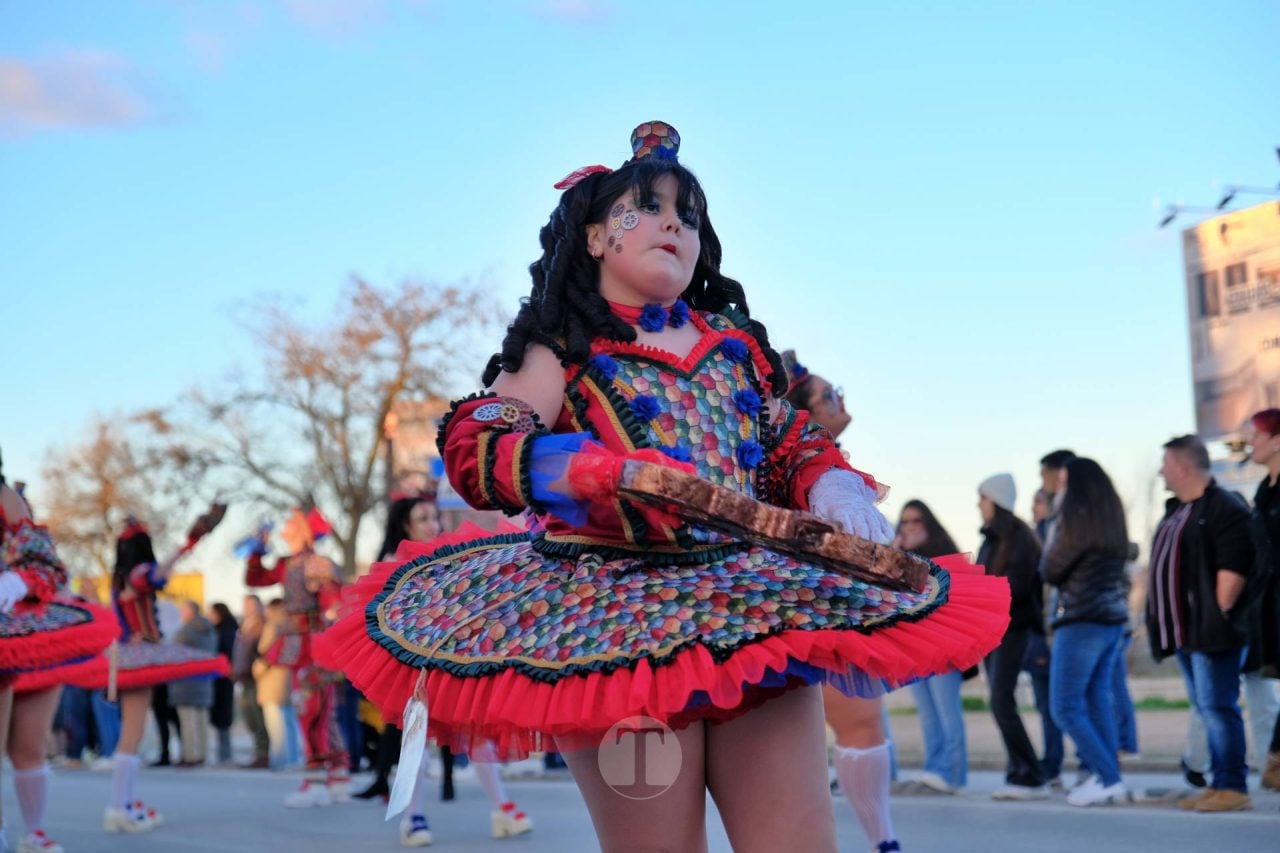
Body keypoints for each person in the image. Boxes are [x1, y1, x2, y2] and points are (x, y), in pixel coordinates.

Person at [318, 121, 1010, 853]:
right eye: (644, 207)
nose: (672, 222)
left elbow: (788, 440)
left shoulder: (735, 347)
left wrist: (831, 483)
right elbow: (479, 444)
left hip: (754, 616)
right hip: (614, 635)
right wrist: (587, 470)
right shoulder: (563, 350)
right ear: (592, 238)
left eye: (686, 212)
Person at [783, 353, 900, 849]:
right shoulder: (784, 466)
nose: (841, 401)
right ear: (803, 414)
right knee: (812, 741)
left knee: (863, 724)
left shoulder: (836, 467)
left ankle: (884, 842)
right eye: (830, 396)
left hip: (840, 605)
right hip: (797, 608)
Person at [1, 468, 118, 853]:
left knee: (30, 745)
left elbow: (42, 560)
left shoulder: (6, 497)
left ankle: (33, 832)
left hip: (26, 633)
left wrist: (20, 579)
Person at [1147, 435, 1254, 813]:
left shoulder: (1224, 506)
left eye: (1165, 463)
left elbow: (1236, 561)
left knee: (1218, 707)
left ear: (1183, 466)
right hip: (1185, 634)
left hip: (1212, 633)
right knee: (1205, 708)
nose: (1161, 470)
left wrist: (1219, 609)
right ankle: (1217, 781)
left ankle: (1233, 785)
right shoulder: (1178, 510)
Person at [1039, 457, 1131, 806]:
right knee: (1096, 701)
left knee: (1064, 707)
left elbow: (1049, 568)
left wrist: (1053, 524)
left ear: (1076, 487)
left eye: (1063, 484)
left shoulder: (1073, 522)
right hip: (1110, 620)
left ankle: (1108, 777)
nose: (1058, 490)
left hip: (1080, 621)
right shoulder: (1110, 520)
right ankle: (1107, 777)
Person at [242, 507, 347, 806]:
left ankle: (317, 781)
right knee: (318, 709)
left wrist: (330, 625)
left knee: (314, 709)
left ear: (302, 528)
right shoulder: (287, 563)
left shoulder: (318, 563)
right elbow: (256, 578)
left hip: (314, 644)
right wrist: (257, 550)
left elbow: (335, 603)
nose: (285, 526)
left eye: (291, 521)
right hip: (297, 643)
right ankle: (337, 774)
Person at [977, 473, 1049, 800]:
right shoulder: (991, 540)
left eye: (983, 498)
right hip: (993, 630)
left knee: (1001, 701)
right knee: (1000, 701)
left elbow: (1017, 588)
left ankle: (1032, 775)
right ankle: (1018, 771)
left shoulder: (1020, 538)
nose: (979, 505)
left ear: (996, 500)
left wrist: (985, 594)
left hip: (1014, 628)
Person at [894, 500, 967, 794]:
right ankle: (935, 770)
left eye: (916, 521)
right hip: (916, 645)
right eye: (905, 522)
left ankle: (955, 777)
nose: (910, 527)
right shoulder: (902, 556)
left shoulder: (946, 556)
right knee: (927, 713)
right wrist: (895, 552)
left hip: (944, 645)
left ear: (929, 524)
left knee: (947, 711)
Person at [1247, 410, 1280, 790]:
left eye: (1257, 436)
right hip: (1268, 605)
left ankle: (1275, 757)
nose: (1251, 443)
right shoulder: (1263, 491)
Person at [170, 600, 217, 767]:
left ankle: (191, 756)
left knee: (188, 722)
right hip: (204, 682)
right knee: (202, 721)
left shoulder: (185, 632)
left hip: (186, 684)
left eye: (182, 610)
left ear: (190, 611)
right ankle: (203, 754)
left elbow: (174, 654)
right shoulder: (210, 631)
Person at [234, 595, 271, 769]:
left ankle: (264, 753)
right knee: (249, 717)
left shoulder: (262, 625)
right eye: (245, 604)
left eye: (251, 605)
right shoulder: (244, 625)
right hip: (243, 676)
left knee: (258, 716)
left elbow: (263, 650)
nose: (247, 608)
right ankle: (258, 751)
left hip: (256, 676)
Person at [208, 602, 238, 765]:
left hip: (223, 678)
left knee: (223, 717)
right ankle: (223, 753)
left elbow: (225, 654)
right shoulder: (224, 630)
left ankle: (225, 754)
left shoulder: (226, 632)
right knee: (221, 717)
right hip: (220, 678)